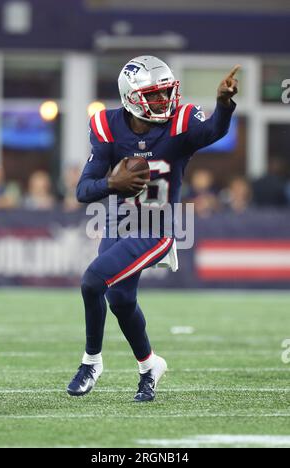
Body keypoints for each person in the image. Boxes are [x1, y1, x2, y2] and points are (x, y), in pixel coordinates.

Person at [67, 56, 239, 402]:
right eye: (155, 95)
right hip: (119, 219)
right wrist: (111, 184)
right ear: (131, 96)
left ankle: (91, 362)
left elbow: (212, 131)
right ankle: (150, 366)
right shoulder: (107, 124)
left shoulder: (180, 122)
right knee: (120, 298)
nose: (164, 101)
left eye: (166, 93)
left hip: (158, 224)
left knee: (92, 281)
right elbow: (83, 191)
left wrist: (223, 106)